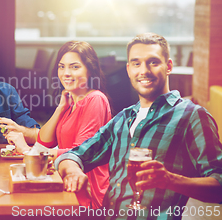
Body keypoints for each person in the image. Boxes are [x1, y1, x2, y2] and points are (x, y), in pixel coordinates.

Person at [55, 33, 222, 219]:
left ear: (168, 66)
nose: (144, 71)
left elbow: (219, 184)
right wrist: (74, 172)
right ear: (128, 70)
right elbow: (74, 155)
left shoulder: (192, 116)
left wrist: (171, 180)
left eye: (153, 62)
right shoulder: (123, 118)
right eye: (136, 63)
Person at [7, 41, 111, 208]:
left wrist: (28, 151)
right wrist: (60, 108)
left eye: (75, 67)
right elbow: (45, 141)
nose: (66, 73)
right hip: (63, 183)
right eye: (62, 67)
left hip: (85, 193)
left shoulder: (95, 99)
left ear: (90, 70)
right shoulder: (71, 100)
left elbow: (79, 152)